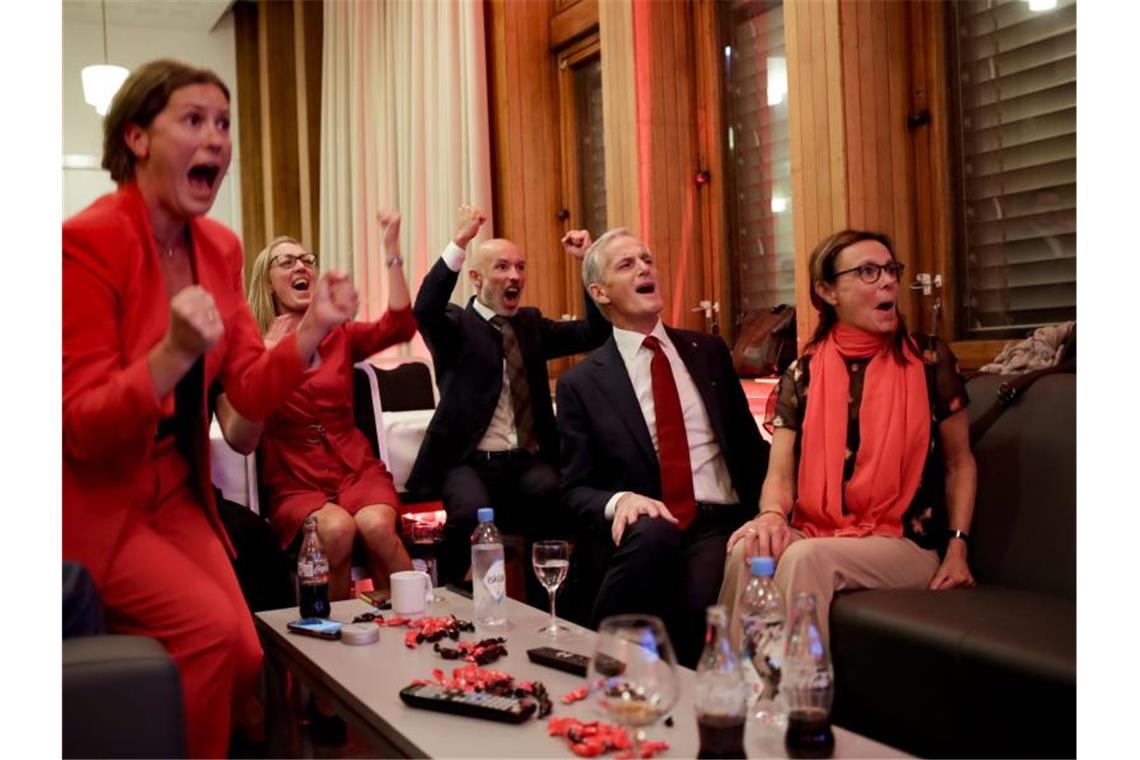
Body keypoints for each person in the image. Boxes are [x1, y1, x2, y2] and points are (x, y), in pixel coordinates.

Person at [62, 59, 357, 759]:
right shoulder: (85, 244)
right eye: (193, 121)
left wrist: (311, 329)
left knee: (247, 651)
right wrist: (169, 356)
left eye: (223, 124)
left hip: (177, 488)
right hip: (98, 497)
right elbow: (78, 425)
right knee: (209, 637)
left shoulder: (220, 249)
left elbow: (248, 395)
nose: (217, 140)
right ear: (135, 137)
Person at [718, 229, 977, 648]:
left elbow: (959, 463)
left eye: (891, 270)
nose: (888, 281)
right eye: (868, 272)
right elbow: (780, 476)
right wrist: (769, 517)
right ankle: (733, 691)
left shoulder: (930, 359)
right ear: (828, 291)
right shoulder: (802, 374)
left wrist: (958, 549)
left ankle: (796, 701)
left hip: (905, 542)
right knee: (749, 549)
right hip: (821, 530)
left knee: (803, 556)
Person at [556, 228, 769, 667]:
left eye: (647, 259)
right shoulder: (582, 383)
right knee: (653, 535)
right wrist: (621, 501)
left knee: (693, 605)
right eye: (627, 264)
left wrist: (780, 508)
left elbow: (751, 448)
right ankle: (599, 670)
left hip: (717, 521)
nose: (645, 268)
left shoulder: (707, 352)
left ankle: (611, 674)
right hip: (646, 528)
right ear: (600, 292)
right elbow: (573, 491)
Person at [407, 207, 612, 598]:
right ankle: (452, 599)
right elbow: (424, 309)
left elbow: (594, 332)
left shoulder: (530, 325)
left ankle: (544, 603)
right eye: (502, 268)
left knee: (552, 494)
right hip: (467, 462)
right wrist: (460, 241)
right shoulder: (453, 326)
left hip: (525, 461)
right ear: (476, 277)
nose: (514, 276)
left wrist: (589, 262)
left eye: (520, 267)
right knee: (468, 513)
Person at [223, 211, 418, 602]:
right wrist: (266, 355)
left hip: (354, 467)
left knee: (378, 526)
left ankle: (418, 626)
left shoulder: (338, 336)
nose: (302, 266)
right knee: (335, 530)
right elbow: (241, 423)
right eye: (288, 261)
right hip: (295, 477)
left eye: (307, 260)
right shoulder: (254, 346)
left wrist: (391, 249)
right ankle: (331, 642)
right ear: (268, 282)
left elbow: (400, 327)